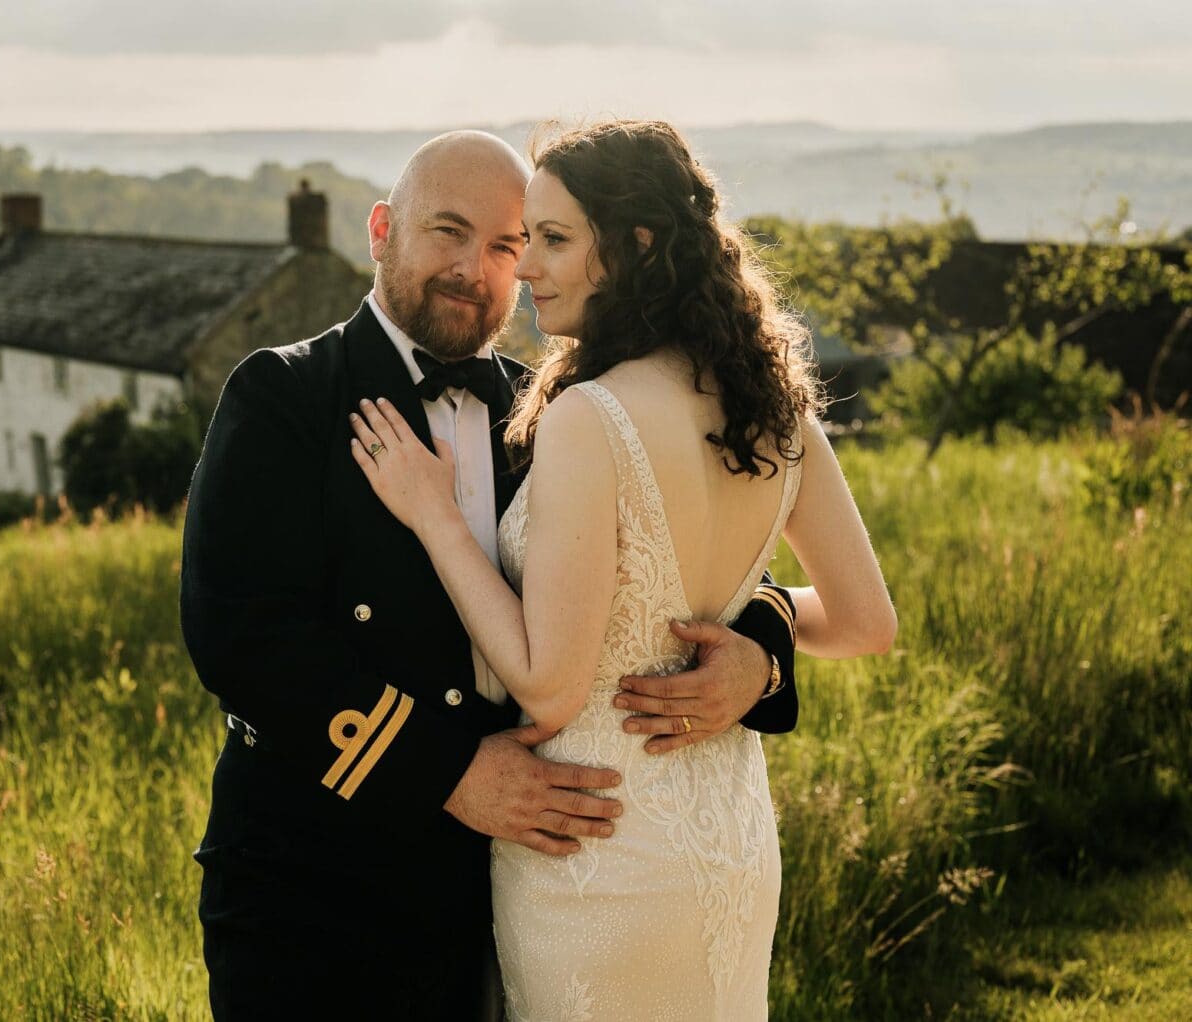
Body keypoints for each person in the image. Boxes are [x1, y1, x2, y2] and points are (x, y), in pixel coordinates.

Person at [180, 130, 803, 1020]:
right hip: (320, 883)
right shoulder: (284, 397)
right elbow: (240, 636)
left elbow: (689, 569)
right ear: (382, 230)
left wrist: (761, 656)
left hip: (521, 883)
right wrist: (447, 772)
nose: (476, 268)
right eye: (447, 231)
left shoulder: (553, 408)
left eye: (509, 244)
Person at [347, 120, 896, 1020]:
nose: (524, 269)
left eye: (554, 240)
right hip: (730, 841)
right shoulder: (775, 405)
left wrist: (435, 515)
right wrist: (758, 653)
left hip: (595, 850)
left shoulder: (589, 416)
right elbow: (866, 622)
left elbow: (549, 686)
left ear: (635, 247)